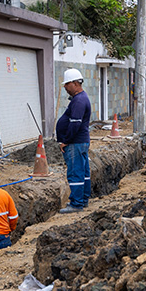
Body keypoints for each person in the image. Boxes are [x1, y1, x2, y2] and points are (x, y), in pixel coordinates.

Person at [55, 68, 91, 213]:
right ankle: (83, 199)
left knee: (75, 172)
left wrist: (66, 140)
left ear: (75, 83)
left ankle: (76, 203)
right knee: (83, 171)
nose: (65, 87)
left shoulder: (79, 101)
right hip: (80, 141)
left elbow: (75, 123)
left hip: (75, 142)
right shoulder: (81, 98)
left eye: (67, 84)